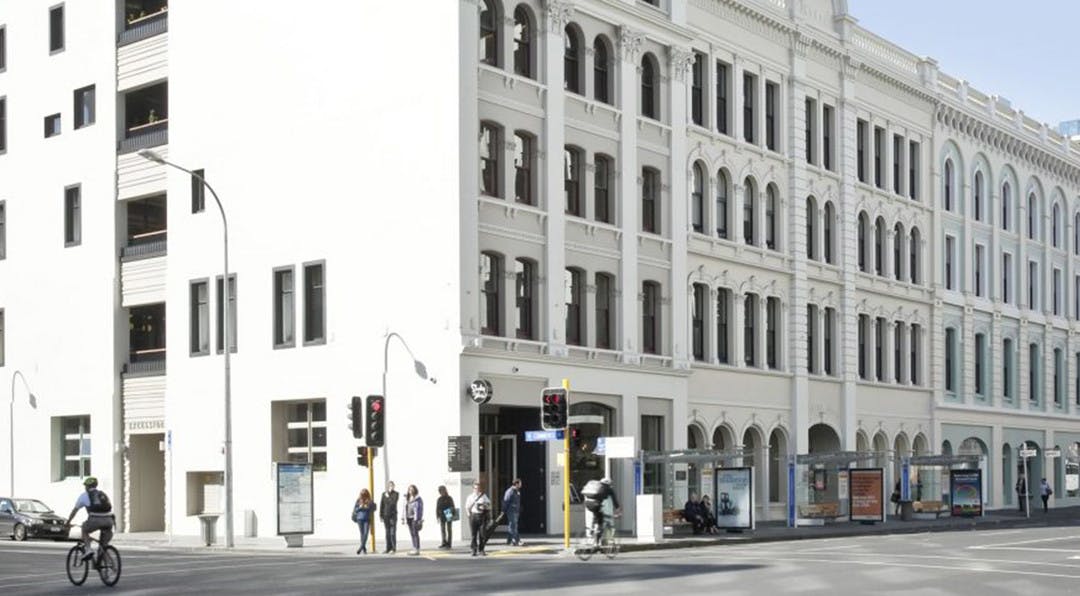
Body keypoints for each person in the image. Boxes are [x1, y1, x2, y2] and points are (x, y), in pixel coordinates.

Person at [65, 477, 114, 566]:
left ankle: (88, 550)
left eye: (85, 486)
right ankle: (110, 566)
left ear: (87, 487)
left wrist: (68, 522)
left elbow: (74, 511)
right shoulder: (102, 494)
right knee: (103, 545)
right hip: (109, 520)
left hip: (95, 520)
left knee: (84, 528)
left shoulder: (84, 495)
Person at [464, 482, 491, 556]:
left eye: (478, 488)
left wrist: (484, 506)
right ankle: (474, 550)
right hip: (473, 516)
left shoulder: (483, 495)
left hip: (482, 516)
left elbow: (489, 504)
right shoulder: (470, 497)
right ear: (473, 489)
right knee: (473, 535)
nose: (477, 489)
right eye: (476, 488)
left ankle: (481, 550)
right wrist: (469, 515)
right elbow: (466, 507)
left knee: (482, 534)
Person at [352, 489, 376, 555]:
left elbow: (374, 508)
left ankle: (361, 547)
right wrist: (360, 507)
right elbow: (355, 509)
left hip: (367, 518)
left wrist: (368, 507)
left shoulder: (370, 500)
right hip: (360, 518)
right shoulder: (358, 500)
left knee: (365, 533)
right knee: (362, 534)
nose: (363, 495)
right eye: (362, 494)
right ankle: (364, 548)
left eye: (365, 493)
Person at [380, 481, 400, 554]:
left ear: (394, 486)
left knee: (392, 533)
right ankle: (388, 548)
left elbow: (393, 503)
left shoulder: (396, 494)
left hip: (393, 515)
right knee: (387, 533)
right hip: (385, 515)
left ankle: (393, 548)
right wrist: (381, 515)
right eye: (389, 486)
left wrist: (388, 496)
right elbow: (381, 505)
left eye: (392, 485)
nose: (390, 487)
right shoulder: (383, 494)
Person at [502, 478, 523, 546]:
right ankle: (517, 540)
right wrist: (504, 510)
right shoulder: (510, 491)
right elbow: (506, 501)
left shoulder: (517, 491)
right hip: (511, 511)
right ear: (516, 484)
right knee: (513, 526)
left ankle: (509, 541)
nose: (521, 485)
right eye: (520, 483)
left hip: (516, 511)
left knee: (512, 526)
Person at [404, 485, 424, 555]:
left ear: (415, 490)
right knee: (412, 533)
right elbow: (404, 508)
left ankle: (417, 549)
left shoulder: (418, 499)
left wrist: (418, 518)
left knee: (415, 533)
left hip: (414, 518)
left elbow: (420, 509)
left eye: (412, 489)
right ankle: (414, 547)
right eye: (409, 490)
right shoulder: (407, 498)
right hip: (408, 518)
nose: (410, 491)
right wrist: (403, 518)